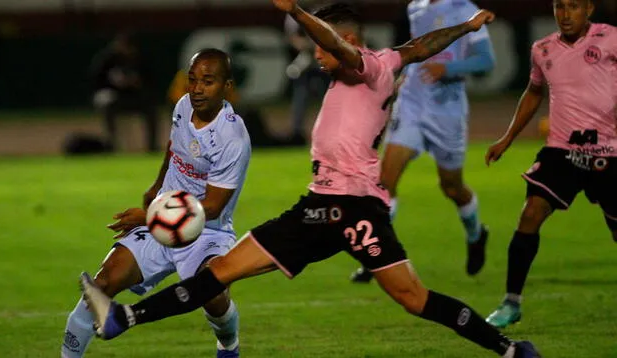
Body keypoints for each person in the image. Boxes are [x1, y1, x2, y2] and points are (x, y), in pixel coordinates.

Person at [80, 2, 539, 356]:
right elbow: (421, 47)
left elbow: (346, 47)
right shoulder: (382, 64)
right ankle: (123, 318)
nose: (316, 56)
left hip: (356, 208)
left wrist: (298, 13)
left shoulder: (367, 66)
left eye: (320, 45)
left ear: (346, 39)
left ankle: (509, 350)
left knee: (414, 299)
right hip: (318, 207)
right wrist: (468, 26)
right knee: (216, 274)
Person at [63, 48, 250, 358]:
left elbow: (213, 207)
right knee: (102, 284)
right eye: (192, 80)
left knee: (214, 300)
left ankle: (228, 344)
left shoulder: (233, 137)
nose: (198, 88)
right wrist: (156, 186)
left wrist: (150, 215)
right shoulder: (183, 105)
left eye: (208, 81)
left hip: (208, 232)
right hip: (161, 218)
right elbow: (174, 146)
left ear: (227, 86)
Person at [484, 0, 617, 329]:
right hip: (561, 151)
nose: (565, 14)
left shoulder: (612, 38)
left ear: (589, 8)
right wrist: (507, 138)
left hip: (610, 154)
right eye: (560, 6)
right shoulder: (542, 49)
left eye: (573, 6)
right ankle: (511, 302)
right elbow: (533, 92)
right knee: (531, 213)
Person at [350, 0, 496, 283]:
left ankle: (476, 234)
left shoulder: (464, 9)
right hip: (412, 105)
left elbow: (486, 60)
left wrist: (449, 70)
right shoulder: (414, 7)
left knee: (452, 187)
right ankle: (377, 256)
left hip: (447, 111)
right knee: (385, 182)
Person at [90, 33, 160, 152]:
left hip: (134, 98)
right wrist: (113, 85)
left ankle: (152, 147)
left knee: (151, 108)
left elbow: (151, 83)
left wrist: (136, 84)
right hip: (115, 98)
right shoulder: (107, 59)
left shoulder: (140, 60)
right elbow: (96, 83)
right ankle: (112, 145)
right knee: (107, 106)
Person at [284, 0, 329, 145]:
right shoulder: (293, 13)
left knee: (329, 97)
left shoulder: (324, 9)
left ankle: (332, 130)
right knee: (301, 98)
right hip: (306, 62)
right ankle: (297, 133)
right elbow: (293, 38)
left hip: (324, 62)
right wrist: (307, 46)